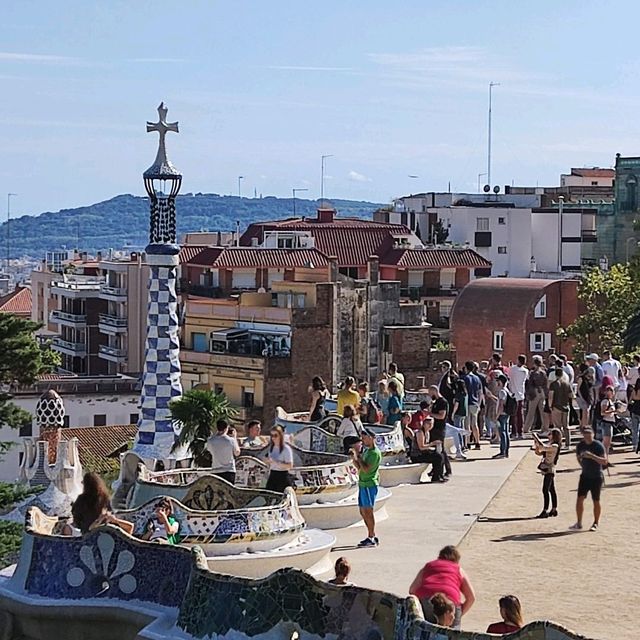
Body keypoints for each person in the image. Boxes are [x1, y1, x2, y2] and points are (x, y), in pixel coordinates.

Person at [409, 545, 476, 630]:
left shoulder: (429, 566)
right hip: (451, 602)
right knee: (452, 634)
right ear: (457, 559)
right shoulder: (458, 569)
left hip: (428, 600)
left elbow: (412, 590)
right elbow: (471, 597)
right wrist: (458, 614)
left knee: (426, 631)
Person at [571, 426, 607, 531]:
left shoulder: (598, 446)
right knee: (580, 499)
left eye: (589, 433)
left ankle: (595, 523)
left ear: (593, 434)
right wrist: (582, 464)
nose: (587, 435)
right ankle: (579, 522)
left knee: (596, 500)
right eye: (585, 433)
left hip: (596, 476)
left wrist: (592, 456)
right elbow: (578, 457)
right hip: (585, 476)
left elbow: (604, 461)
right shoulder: (580, 445)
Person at [351, 428, 382, 547]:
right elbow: (360, 467)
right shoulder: (368, 451)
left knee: (368, 511)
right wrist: (354, 458)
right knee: (363, 511)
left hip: (369, 484)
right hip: (363, 483)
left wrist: (357, 456)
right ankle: (371, 535)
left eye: (364, 438)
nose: (362, 440)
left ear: (371, 438)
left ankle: (371, 536)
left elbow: (366, 468)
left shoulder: (374, 453)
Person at [532, 429, 562, 518]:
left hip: (549, 470)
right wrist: (536, 444)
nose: (548, 435)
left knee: (545, 490)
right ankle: (554, 509)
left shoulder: (555, 446)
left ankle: (545, 510)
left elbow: (542, 447)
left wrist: (536, 438)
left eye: (550, 434)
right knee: (551, 490)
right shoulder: (551, 445)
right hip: (549, 470)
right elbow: (539, 452)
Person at [410, 416, 445, 482]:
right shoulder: (420, 433)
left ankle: (440, 475)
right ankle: (436, 477)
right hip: (417, 455)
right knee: (438, 457)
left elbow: (426, 446)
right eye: (428, 424)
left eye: (431, 424)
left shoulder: (427, 433)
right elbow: (421, 447)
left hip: (423, 453)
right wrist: (432, 444)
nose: (430, 426)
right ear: (424, 424)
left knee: (441, 455)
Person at [206, 419, 240, 484]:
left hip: (216, 470)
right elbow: (237, 453)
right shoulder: (231, 440)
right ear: (226, 428)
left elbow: (209, 450)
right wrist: (234, 437)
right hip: (229, 470)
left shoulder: (210, 441)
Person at [549, 367, 573, 451]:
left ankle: (559, 443)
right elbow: (571, 395)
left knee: (558, 426)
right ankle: (568, 443)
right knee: (566, 426)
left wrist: (549, 405)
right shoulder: (567, 384)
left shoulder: (553, 384)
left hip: (556, 406)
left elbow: (551, 396)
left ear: (555, 374)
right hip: (566, 406)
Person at [429, 385, 451, 477]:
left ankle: (445, 469)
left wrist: (430, 414)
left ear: (434, 391)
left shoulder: (443, 402)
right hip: (434, 428)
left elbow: (441, 416)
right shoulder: (436, 402)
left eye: (430, 393)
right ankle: (435, 469)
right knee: (437, 450)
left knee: (440, 450)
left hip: (439, 428)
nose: (430, 395)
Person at [524, 356, 550, 434]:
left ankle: (526, 428)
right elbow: (546, 384)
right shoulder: (543, 372)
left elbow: (530, 384)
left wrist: (529, 394)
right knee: (542, 411)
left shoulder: (533, 373)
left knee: (531, 412)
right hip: (542, 391)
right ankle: (545, 428)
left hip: (534, 391)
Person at [266, 426, 294, 492]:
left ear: (280, 436)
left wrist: (277, 462)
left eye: (275, 435)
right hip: (272, 475)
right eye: (272, 435)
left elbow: (290, 465)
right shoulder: (272, 448)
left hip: (282, 476)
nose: (273, 438)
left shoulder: (286, 449)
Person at [462, 361, 482, 450]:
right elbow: (480, 392)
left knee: (467, 424)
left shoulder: (465, 378)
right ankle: (477, 442)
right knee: (475, 424)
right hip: (475, 403)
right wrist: (479, 403)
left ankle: (467, 443)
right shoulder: (477, 378)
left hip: (467, 403)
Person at [509, 355, 529, 439]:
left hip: (513, 394)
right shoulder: (525, 371)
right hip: (521, 394)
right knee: (520, 414)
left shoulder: (513, 369)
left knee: (513, 414)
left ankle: (514, 432)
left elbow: (509, 375)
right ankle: (520, 431)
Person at [492, 375, 510, 459]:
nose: (497, 383)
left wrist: (497, 416)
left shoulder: (502, 392)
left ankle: (503, 451)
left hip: (502, 415)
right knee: (505, 432)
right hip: (506, 414)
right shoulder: (506, 390)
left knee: (502, 433)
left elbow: (501, 405)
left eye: (498, 381)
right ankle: (505, 451)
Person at [451, 379, 468, 460]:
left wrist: (453, 413)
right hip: (463, 413)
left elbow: (456, 405)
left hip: (457, 413)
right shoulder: (465, 394)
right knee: (461, 430)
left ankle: (460, 446)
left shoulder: (458, 394)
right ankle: (464, 445)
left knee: (457, 431)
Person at [599, 385, 616, 460]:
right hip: (606, 423)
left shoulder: (610, 401)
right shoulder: (605, 401)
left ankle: (605, 459)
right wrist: (613, 411)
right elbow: (602, 412)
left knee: (607, 443)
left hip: (610, 423)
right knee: (606, 443)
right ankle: (603, 459)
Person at [576, 363, 595, 430]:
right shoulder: (581, 378)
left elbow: (592, 385)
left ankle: (584, 424)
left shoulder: (589, 379)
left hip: (588, 396)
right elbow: (578, 389)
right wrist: (581, 397)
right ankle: (584, 426)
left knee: (587, 411)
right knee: (585, 411)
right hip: (582, 396)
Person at [628, 378, 640, 452]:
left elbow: (630, 401)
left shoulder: (633, 391)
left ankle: (634, 445)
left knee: (634, 430)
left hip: (634, 410)